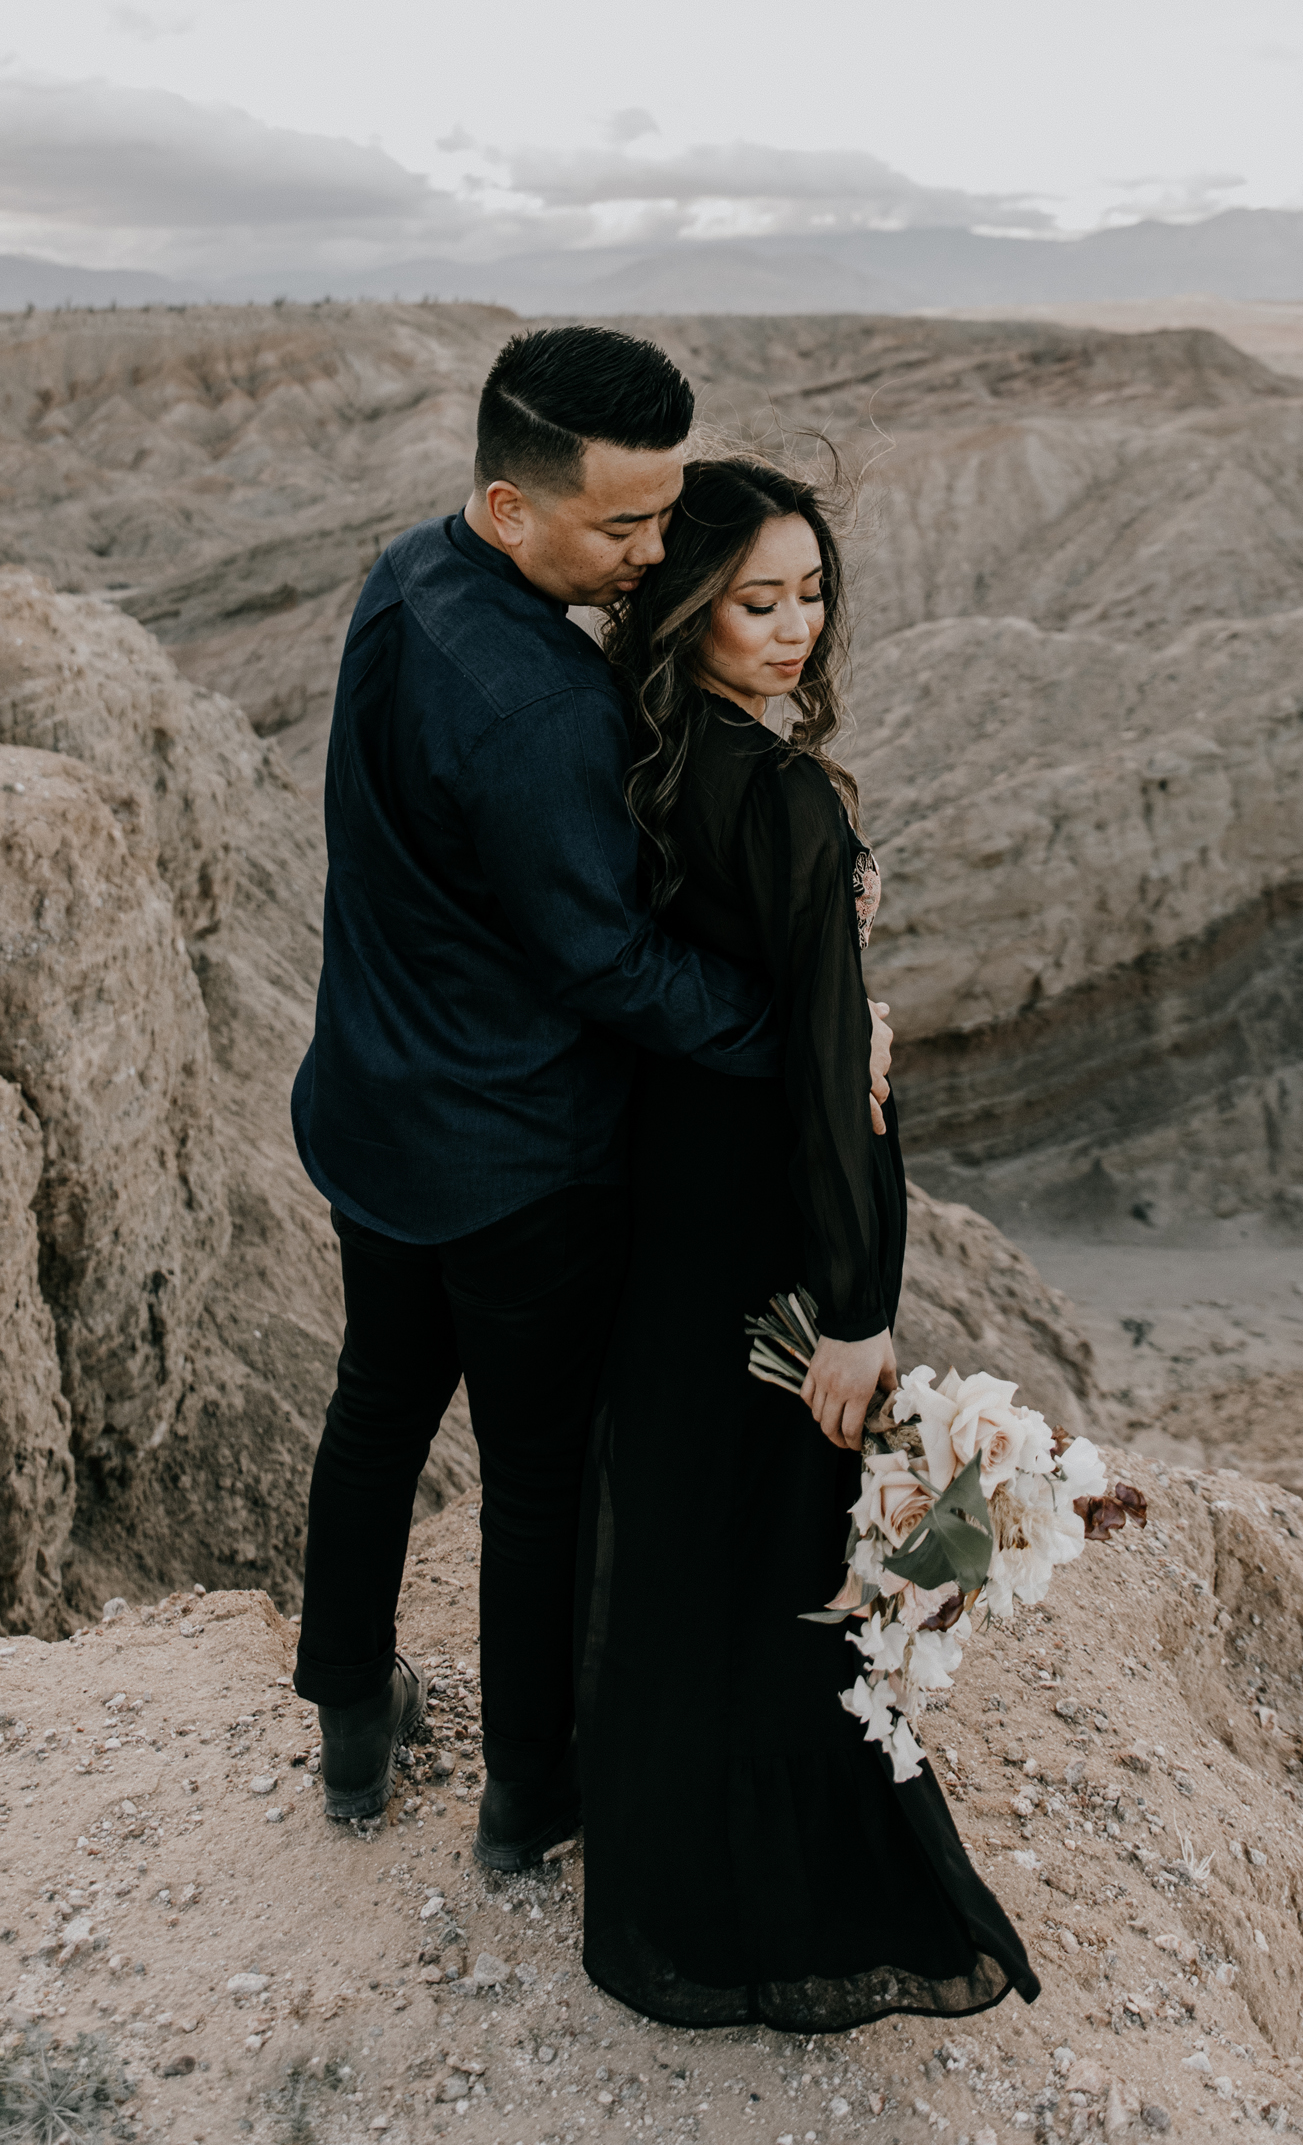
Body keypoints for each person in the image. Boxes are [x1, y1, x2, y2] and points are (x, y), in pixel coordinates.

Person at [289, 330, 894, 1874]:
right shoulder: (545, 705)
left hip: (372, 1109)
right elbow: (609, 963)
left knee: (375, 1410)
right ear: (511, 506)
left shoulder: (405, 580)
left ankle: (350, 1724)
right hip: (517, 1159)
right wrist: (799, 1030)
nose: (649, 555)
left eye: (664, 516)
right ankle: (527, 1800)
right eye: (622, 527)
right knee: (538, 1482)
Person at [576, 456, 1038, 2030]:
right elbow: (839, 1084)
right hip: (770, 1222)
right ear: (690, 607)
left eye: (811, 595)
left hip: (658, 1207)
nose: (792, 629)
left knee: (684, 1539)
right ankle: (782, 1911)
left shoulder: (640, 756)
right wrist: (853, 1307)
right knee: (787, 1558)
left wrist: (820, 934)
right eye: (755, 602)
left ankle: (659, 1883)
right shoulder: (780, 800)